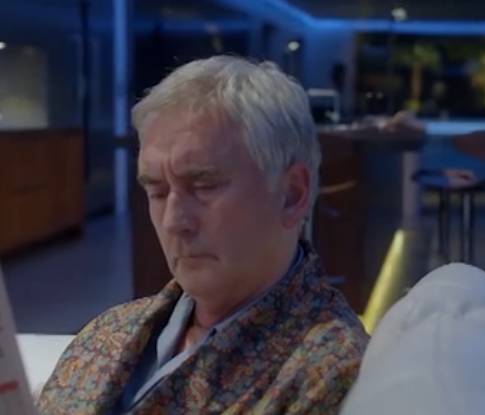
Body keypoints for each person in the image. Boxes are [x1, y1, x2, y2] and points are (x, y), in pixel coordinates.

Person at [37, 56, 369, 414]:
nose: (173, 221)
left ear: (291, 195)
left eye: (204, 185)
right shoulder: (109, 331)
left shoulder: (330, 373)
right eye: (157, 191)